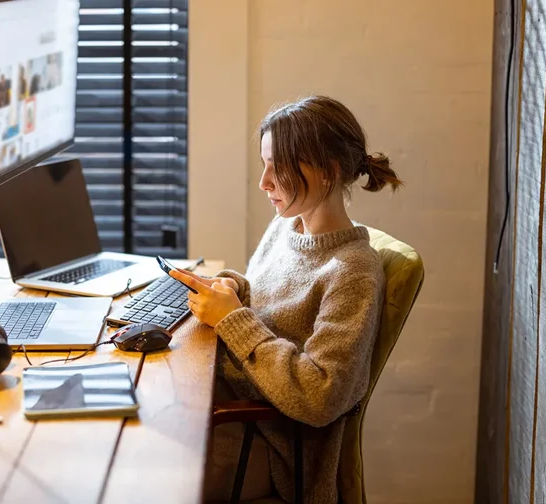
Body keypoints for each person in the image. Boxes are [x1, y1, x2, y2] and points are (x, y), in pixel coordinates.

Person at [170, 96, 403, 504]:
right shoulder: (287, 227)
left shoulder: (352, 271)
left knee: (139, 473)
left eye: (277, 167)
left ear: (328, 172)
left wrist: (234, 321)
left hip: (273, 450)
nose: (264, 181)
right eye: (264, 163)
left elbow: (320, 395)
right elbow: (264, 304)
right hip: (227, 407)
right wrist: (230, 289)